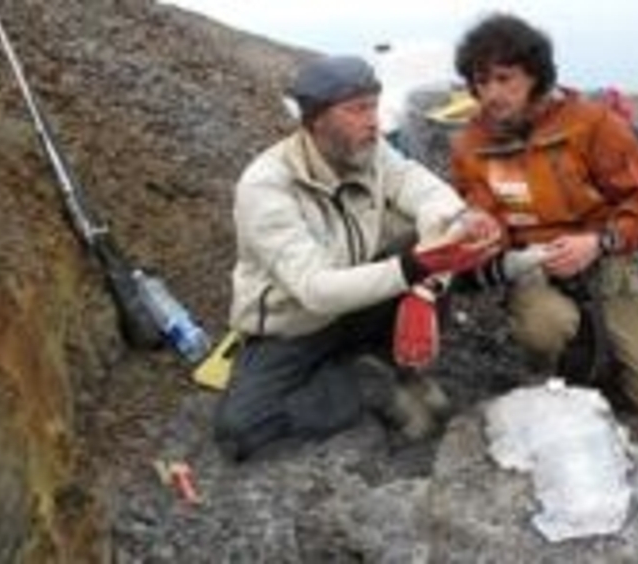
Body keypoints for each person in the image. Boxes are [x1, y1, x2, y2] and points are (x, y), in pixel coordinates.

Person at [214, 55, 503, 460]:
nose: (374, 121)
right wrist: (416, 268)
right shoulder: (266, 187)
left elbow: (423, 190)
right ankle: (368, 384)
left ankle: (404, 369)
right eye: (357, 109)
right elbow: (316, 291)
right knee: (240, 430)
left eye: (374, 104)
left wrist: (459, 220)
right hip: (295, 325)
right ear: (316, 120)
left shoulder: (371, 150)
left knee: (426, 243)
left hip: (362, 302)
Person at [449, 13, 638, 414]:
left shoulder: (593, 124)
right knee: (546, 325)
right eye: (481, 81)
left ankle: (606, 353)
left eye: (504, 78)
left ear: (536, 75)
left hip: (604, 260)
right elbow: (482, 213)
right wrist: (485, 232)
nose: (491, 93)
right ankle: (557, 370)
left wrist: (600, 242)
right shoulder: (471, 144)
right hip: (533, 269)